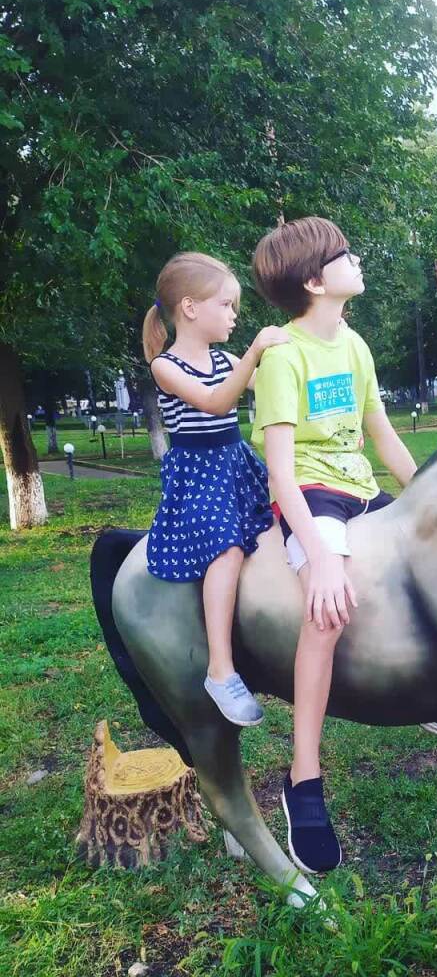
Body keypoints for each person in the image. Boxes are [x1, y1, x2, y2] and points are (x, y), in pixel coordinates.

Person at [251, 216, 437, 876]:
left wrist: (429, 499)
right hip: (312, 495)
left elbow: (381, 434)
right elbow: (280, 474)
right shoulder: (283, 358)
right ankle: (303, 780)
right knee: (325, 616)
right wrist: (321, 557)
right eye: (345, 255)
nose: (357, 261)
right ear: (314, 281)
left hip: (360, 488)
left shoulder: (353, 345)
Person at [143, 251, 285, 727]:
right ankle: (221, 670)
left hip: (235, 463)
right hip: (198, 474)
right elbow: (215, 402)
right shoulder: (166, 366)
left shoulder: (226, 359)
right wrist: (255, 352)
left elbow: (272, 387)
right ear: (189, 307)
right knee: (226, 549)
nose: (233, 316)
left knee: (287, 518)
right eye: (226, 305)